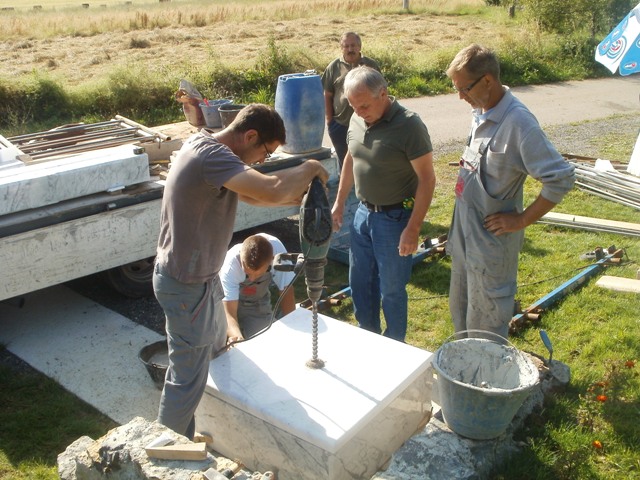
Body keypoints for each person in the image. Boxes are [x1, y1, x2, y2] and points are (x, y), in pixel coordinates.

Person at [152, 104, 329, 440]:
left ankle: (192, 433)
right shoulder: (212, 156)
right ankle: (166, 454)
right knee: (186, 377)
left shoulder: (209, 152)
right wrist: (308, 168)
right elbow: (270, 188)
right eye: (265, 151)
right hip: (185, 285)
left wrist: (301, 198)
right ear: (250, 136)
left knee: (218, 350)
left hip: (199, 281)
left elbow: (260, 198)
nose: (263, 161)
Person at [445, 44, 575, 339]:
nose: (460, 96)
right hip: (466, 236)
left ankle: (487, 380)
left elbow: (561, 178)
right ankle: (465, 375)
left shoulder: (519, 123)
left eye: (464, 88)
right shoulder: (481, 110)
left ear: (488, 81)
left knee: (487, 325)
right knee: (461, 311)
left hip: (492, 248)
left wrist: (521, 220)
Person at [331, 66, 436, 343]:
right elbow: (350, 159)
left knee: (391, 289)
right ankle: (368, 338)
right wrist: (340, 202)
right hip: (362, 214)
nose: (358, 111)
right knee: (360, 282)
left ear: (384, 94)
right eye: (353, 105)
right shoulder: (356, 118)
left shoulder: (409, 125)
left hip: (395, 218)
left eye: (364, 104)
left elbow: (427, 179)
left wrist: (413, 228)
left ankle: (395, 345)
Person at [221, 233, 296, 343]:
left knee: (270, 341)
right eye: (248, 273)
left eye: (259, 274)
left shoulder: (279, 253)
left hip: (255, 305)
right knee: (215, 348)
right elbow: (229, 314)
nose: (252, 279)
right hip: (222, 304)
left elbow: (287, 291)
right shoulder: (230, 266)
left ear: (272, 260)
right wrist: (238, 340)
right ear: (241, 260)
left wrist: (293, 326)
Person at [321, 31, 380, 169]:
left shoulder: (371, 65)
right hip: (340, 125)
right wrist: (330, 121)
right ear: (341, 48)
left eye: (353, 45)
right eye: (346, 46)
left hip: (368, 124)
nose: (350, 49)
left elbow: (381, 92)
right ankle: (348, 190)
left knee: (368, 160)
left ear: (360, 47)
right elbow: (327, 94)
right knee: (345, 162)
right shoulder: (333, 67)